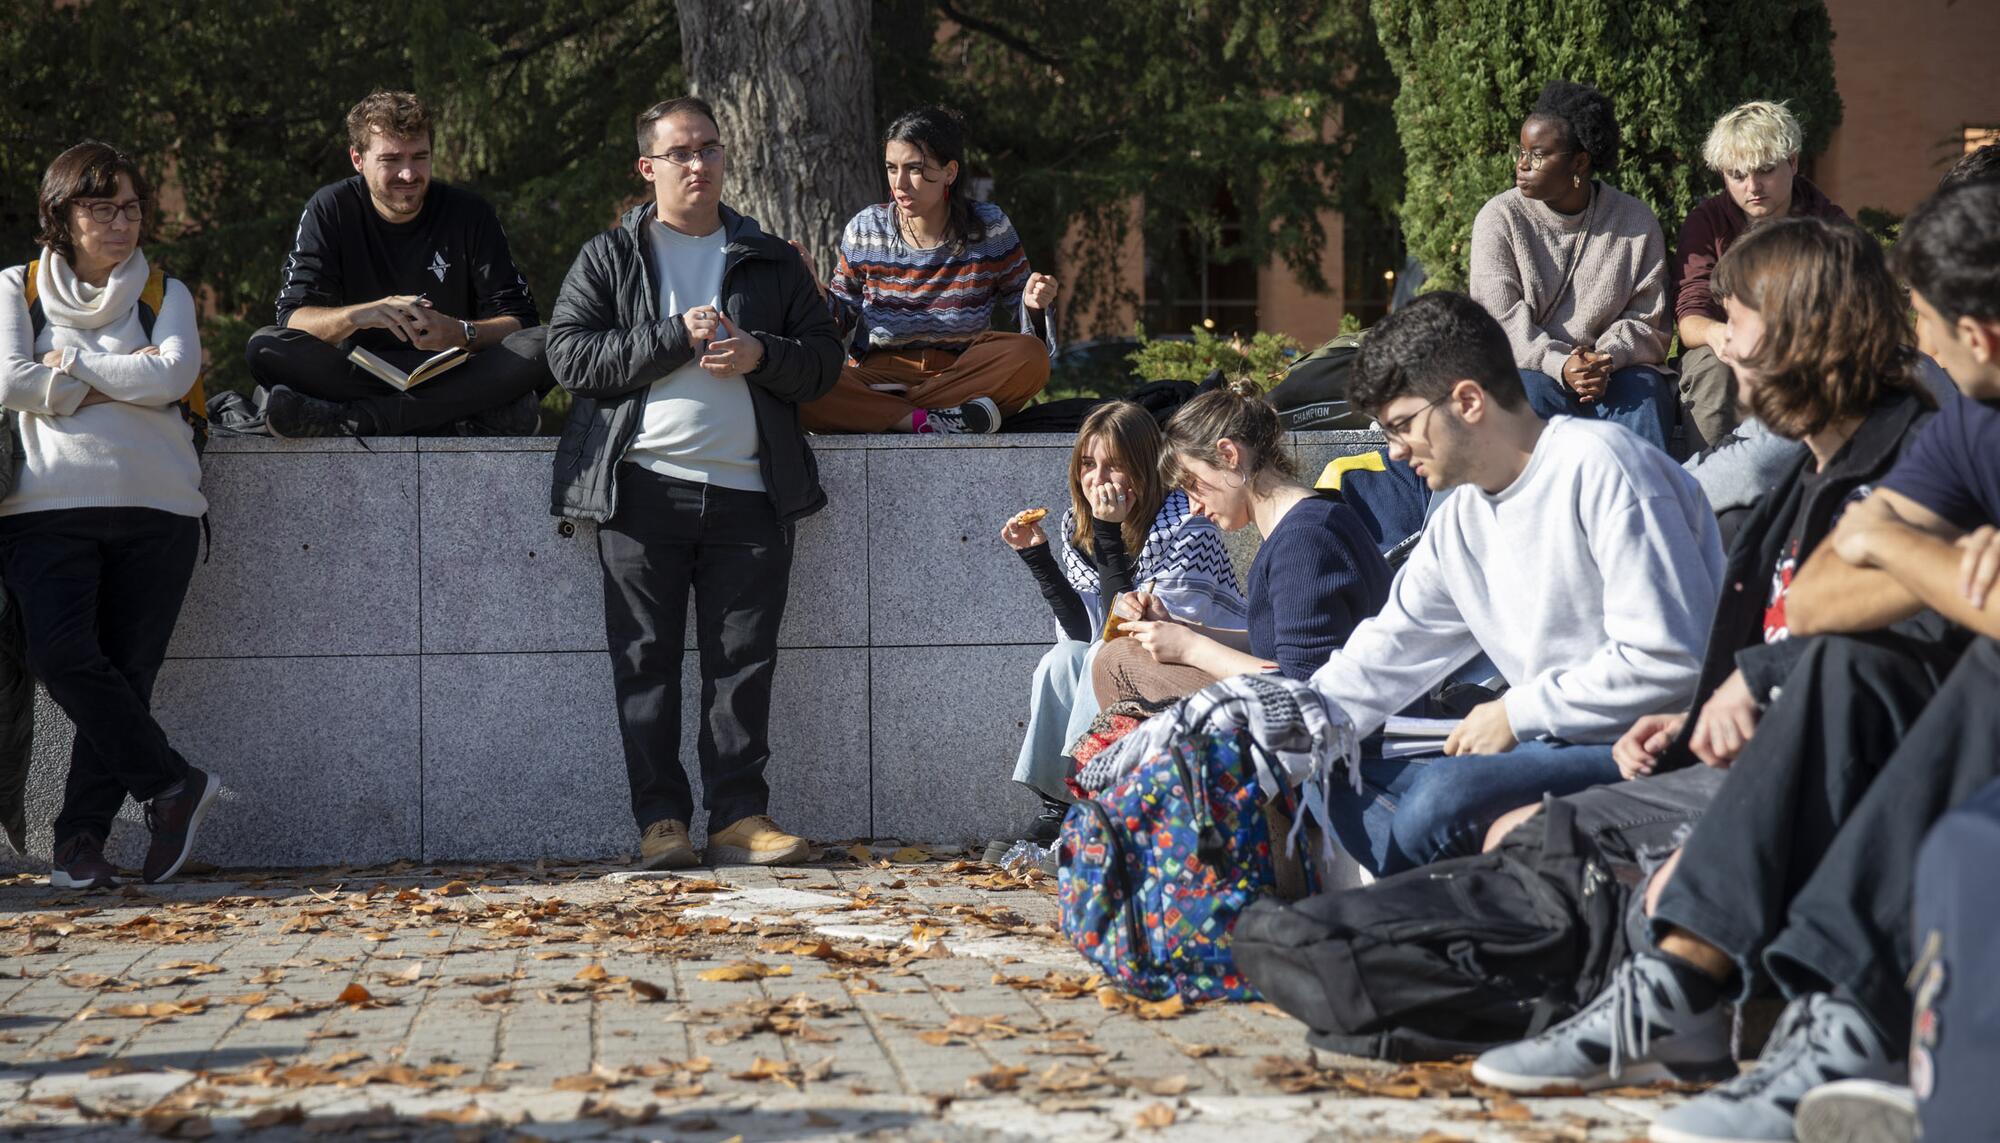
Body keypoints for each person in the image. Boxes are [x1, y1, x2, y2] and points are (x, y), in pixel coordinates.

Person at [1470, 181, 2000, 1143]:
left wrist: (1901, 551)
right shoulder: (1957, 424)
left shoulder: (1925, 421)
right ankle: (1694, 992)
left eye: (1925, 319)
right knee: (1516, 827)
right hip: (1805, 736)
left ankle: (1790, 1012)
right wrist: (1940, 564)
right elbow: (1823, 600)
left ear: (1981, 335)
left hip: (1900, 742)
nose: (1716, 336)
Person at [1307, 291, 1722, 877]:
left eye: (1402, 426)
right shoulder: (1461, 517)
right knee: (1324, 772)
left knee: (1439, 800)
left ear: (1468, 401)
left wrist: (1517, 713)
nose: (1394, 452)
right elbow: (1388, 650)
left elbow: (1671, 658)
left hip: (1647, 747)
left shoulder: (1603, 467)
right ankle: (1462, 905)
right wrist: (1281, 727)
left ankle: (1446, 914)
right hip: (1545, 743)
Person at [546, 96, 841, 869]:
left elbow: (822, 361)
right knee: (644, 661)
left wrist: (758, 355)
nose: (699, 164)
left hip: (751, 493)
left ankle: (739, 817)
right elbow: (571, 357)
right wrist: (672, 336)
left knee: (741, 662)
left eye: (709, 148)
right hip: (641, 490)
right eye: (680, 153)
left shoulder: (768, 255)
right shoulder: (610, 257)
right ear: (648, 168)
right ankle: (661, 823)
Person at [0, 142, 217, 888]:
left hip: (160, 509)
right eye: (101, 208)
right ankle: (172, 783)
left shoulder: (166, 292)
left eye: (130, 207)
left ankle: (79, 844)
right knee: (60, 657)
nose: (121, 223)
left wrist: (72, 369)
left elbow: (174, 373)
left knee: (126, 676)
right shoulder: (14, 287)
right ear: (61, 216)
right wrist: (123, 382)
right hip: (43, 508)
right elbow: (7, 379)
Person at [1000, 400, 1246, 843]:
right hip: (1118, 659)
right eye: (1088, 464)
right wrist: (1038, 558)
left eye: (1115, 466)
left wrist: (1109, 533)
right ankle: (1058, 804)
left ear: (1144, 469)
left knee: (1098, 652)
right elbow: (1082, 633)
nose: (1098, 480)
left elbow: (1127, 639)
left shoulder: (1190, 524)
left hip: (1187, 670)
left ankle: (1094, 799)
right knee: (1062, 658)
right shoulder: (1080, 524)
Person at [245, 90, 552, 437]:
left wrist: (461, 332)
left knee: (546, 345)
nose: (408, 174)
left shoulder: (470, 213)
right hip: (358, 374)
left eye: (419, 157)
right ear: (357, 159)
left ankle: (357, 420)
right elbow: (292, 318)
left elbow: (522, 321)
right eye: (391, 160)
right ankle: (458, 418)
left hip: (454, 370)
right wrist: (359, 315)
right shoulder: (330, 208)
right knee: (265, 347)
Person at [1091, 381, 1391, 708]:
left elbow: (1304, 686)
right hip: (1334, 722)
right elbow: (1276, 646)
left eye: (1193, 484)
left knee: (1117, 659)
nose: (1193, 507)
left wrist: (1190, 647)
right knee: (1119, 655)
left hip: (1352, 736)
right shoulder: (1305, 526)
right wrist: (1179, 628)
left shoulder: (1304, 540)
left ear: (1229, 455)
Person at [797, 106, 1056, 435]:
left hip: (962, 375)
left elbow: (1030, 328)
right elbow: (841, 316)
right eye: (892, 168)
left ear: (949, 172)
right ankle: (933, 419)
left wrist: (1034, 306)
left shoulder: (990, 227)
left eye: (914, 169)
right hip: (878, 375)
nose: (900, 183)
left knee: (1029, 357)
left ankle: (893, 415)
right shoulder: (866, 228)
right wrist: (813, 290)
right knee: (801, 381)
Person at [1470, 80, 1673, 451]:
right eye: (1521, 151)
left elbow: (1648, 319)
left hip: (1613, 369)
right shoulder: (1500, 218)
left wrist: (1605, 360)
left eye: (1538, 154)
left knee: (1645, 395)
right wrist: (1559, 363)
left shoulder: (1635, 221)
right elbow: (1498, 321)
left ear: (1579, 162)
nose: (1521, 164)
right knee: (1524, 396)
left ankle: (1641, 506)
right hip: (1532, 368)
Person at [1673, 101, 1848, 451]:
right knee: (1710, 366)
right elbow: (1689, 317)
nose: (1752, 186)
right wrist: (1716, 332)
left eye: (1765, 170)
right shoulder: (1706, 222)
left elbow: (1853, 306)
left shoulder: (1829, 222)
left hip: (1807, 345)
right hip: (1728, 351)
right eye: (1737, 175)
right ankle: (1703, 487)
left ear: (1793, 162)